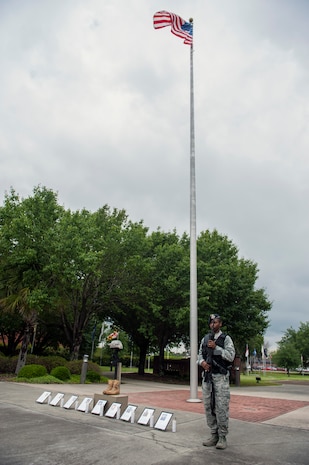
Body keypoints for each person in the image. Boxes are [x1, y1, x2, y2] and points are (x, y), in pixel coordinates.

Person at [198, 313, 235, 450]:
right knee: (208, 405)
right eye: (212, 322)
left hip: (220, 378)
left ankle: (222, 436)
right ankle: (213, 434)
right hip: (208, 377)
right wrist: (202, 363)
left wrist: (216, 348)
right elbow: (199, 355)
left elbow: (231, 356)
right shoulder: (205, 338)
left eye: (216, 322)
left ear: (220, 324)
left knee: (221, 406)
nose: (214, 324)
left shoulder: (226, 339)